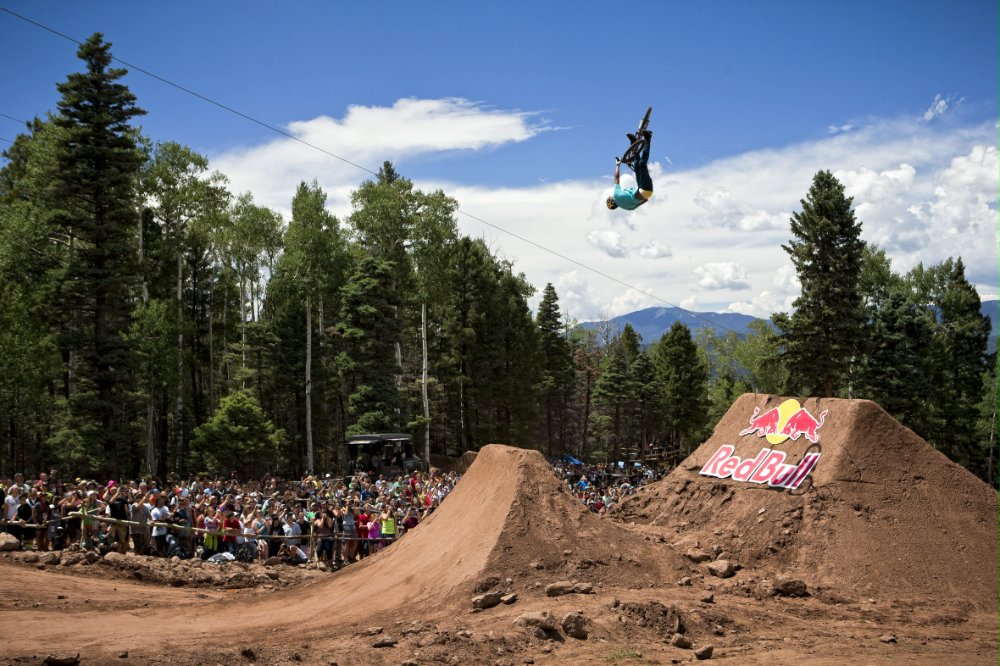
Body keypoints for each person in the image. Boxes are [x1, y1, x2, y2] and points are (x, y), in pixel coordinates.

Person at [606, 130, 653, 211]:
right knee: (641, 163)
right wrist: (617, 164)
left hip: (645, 191)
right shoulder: (616, 195)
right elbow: (616, 178)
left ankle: (634, 143)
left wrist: (638, 197)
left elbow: (645, 200)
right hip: (644, 189)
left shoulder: (628, 208)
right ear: (612, 201)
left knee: (637, 164)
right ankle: (648, 138)